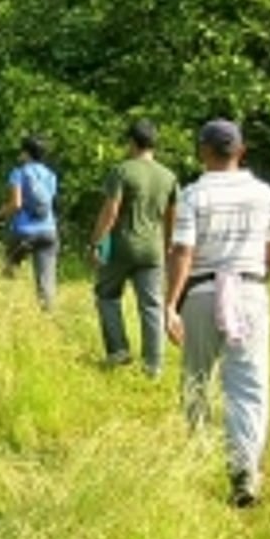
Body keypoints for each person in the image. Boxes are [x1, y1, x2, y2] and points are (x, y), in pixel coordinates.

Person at [164, 120, 270, 508]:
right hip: (249, 291)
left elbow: (182, 252)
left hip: (202, 292)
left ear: (203, 151)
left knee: (196, 379)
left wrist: (170, 305)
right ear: (241, 151)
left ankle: (195, 455)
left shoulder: (194, 194)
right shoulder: (264, 194)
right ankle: (244, 470)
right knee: (247, 385)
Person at [89, 120, 179, 377]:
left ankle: (118, 350)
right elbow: (172, 218)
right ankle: (153, 365)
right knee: (151, 305)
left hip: (121, 247)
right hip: (152, 250)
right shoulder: (169, 176)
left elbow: (111, 212)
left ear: (131, 142)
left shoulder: (122, 171)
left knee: (107, 295)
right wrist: (168, 247)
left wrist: (96, 243)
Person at [0, 136, 59, 310]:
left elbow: (16, 204)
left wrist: (0, 213)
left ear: (26, 153)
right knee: (46, 281)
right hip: (49, 230)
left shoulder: (19, 173)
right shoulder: (51, 175)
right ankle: (48, 315)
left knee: (9, 269)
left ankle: (5, 310)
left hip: (25, 231)